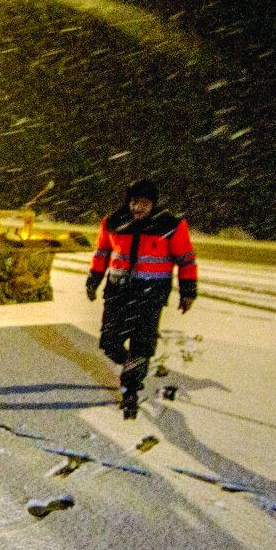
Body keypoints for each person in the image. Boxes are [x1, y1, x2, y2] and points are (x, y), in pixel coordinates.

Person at [86, 178, 197, 419]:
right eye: (135, 202)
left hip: (150, 296)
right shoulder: (113, 222)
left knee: (142, 344)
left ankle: (131, 392)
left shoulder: (170, 225)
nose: (138, 208)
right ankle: (137, 366)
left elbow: (186, 260)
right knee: (109, 343)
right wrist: (93, 279)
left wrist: (188, 291)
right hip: (117, 293)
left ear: (153, 204)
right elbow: (102, 253)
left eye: (144, 203)